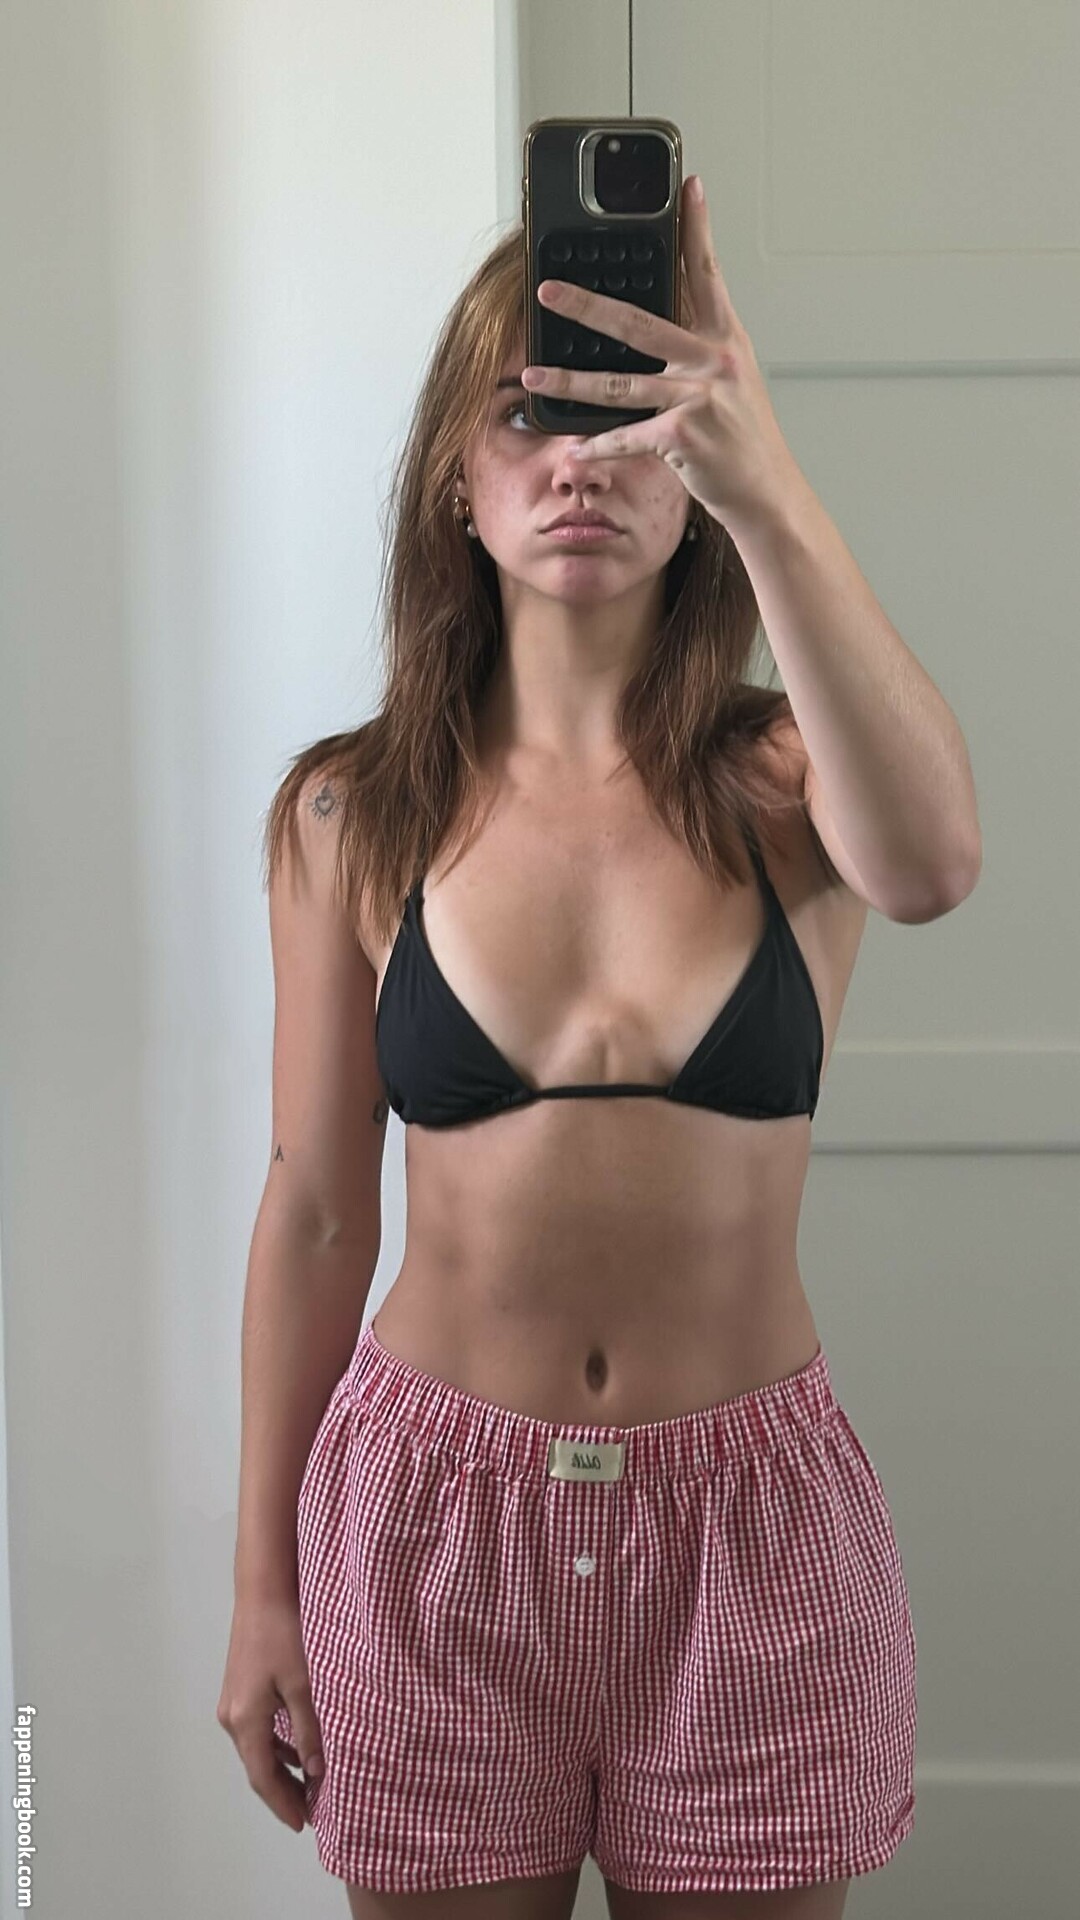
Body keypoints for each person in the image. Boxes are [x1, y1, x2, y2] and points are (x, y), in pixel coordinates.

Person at [218, 182, 969, 1918]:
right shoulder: (353, 815)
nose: (579, 465)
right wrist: (260, 1587)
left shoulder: (792, 783)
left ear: (692, 469)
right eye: (529, 416)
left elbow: (935, 865)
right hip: (430, 1539)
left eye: (632, 421)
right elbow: (315, 1213)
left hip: (750, 1542)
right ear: (454, 478)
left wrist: (767, 477)